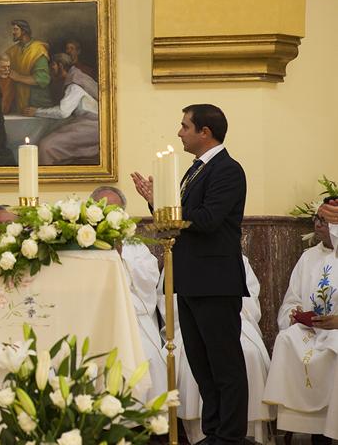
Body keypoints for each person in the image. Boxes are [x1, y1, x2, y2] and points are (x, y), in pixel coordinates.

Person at [131, 103, 248, 445]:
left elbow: (209, 219)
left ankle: (230, 435)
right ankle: (213, 431)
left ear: (205, 132)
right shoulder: (193, 171)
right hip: (191, 278)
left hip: (215, 279)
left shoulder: (227, 170)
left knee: (224, 363)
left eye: (185, 126)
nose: (179, 132)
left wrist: (171, 206)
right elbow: (180, 222)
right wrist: (158, 204)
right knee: (201, 363)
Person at [162, 255, 274, 445]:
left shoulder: (229, 254)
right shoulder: (178, 254)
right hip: (188, 288)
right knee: (201, 368)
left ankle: (229, 436)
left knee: (229, 366)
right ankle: (211, 432)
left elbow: (250, 297)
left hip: (218, 287)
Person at [262, 197, 338, 445]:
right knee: (286, 338)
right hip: (309, 329)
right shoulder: (308, 257)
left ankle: (329, 427)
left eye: (325, 220)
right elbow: (291, 299)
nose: (318, 225)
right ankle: (296, 425)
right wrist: (294, 314)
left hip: (335, 332)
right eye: (317, 219)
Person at [90, 186, 168, 402]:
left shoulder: (135, 246)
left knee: (145, 355)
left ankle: (143, 420)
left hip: (132, 316)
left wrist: (123, 260)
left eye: (114, 209)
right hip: (93, 318)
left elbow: (150, 278)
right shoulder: (81, 242)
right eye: (102, 208)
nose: (108, 214)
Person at [25, 53, 99, 165]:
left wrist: (36, 111)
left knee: (46, 146)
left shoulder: (75, 85)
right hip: (88, 123)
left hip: (92, 126)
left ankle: (44, 179)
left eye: (53, 65)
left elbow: (63, 112)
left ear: (60, 65)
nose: (51, 70)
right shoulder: (79, 77)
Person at [4, 19, 51, 113]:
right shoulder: (13, 50)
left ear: (24, 31)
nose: (13, 32)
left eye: (15, 29)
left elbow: (43, 79)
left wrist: (18, 77)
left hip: (36, 102)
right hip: (18, 101)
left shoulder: (38, 49)